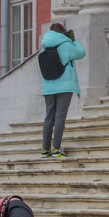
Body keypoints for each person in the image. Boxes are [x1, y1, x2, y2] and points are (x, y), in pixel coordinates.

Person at [39, 22, 86, 158]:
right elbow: (81, 53)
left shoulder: (44, 46)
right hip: (64, 86)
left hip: (48, 87)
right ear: (62, 32)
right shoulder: (66, 44)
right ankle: (56, 149)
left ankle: (45, 150)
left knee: (49, 117)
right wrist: (73, 40)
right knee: (60, 117)